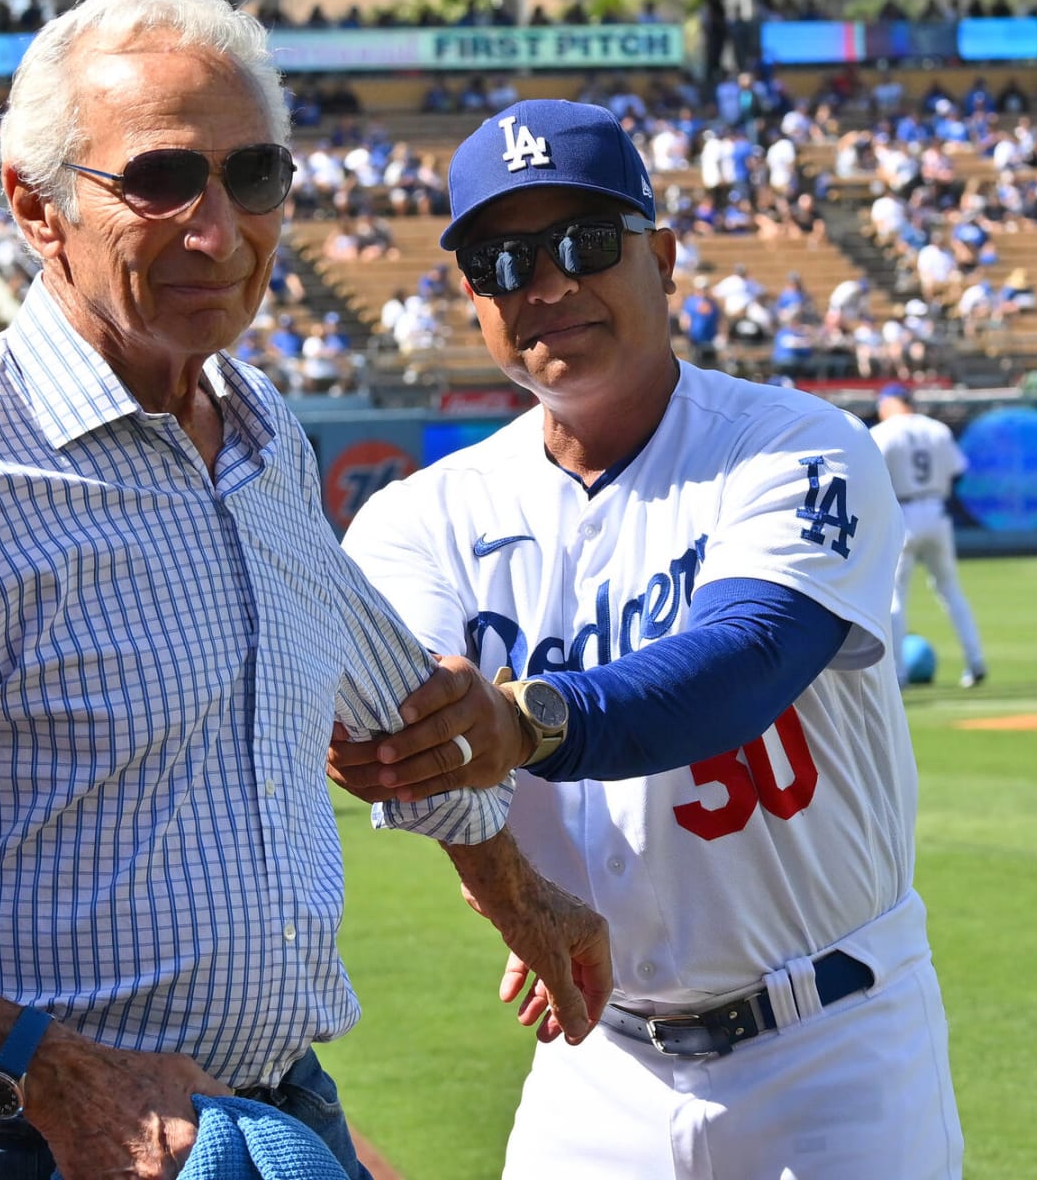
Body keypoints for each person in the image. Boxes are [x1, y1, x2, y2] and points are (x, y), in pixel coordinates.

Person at [0, 0, 609, 1180]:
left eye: (253, 174)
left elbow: (403, 712)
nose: (217, 228)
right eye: (159, 180)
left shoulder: (257, 428)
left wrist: (516, 890)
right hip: (31, 1137)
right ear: (33, 208)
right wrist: (49, 1074)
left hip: (275, 1110)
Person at [327, 100, 963, 1180]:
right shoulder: (416, 520)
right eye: (502, 257)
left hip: (835, 1040)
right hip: (599, 1058)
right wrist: (516, 896)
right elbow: (411, 743)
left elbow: (744, 659)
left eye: (585, 243)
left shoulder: (793, 448)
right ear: (472, 296)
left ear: (662, 259)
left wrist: (522, 724)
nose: (547, 282)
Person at [870, 385, 988, 688]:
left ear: (893, 403)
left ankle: (898, 674)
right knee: (950, 589)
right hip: (936, 510)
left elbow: (868, 475)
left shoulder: (883, 432)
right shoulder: (937, 429)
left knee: (895, 595)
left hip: (902, 513)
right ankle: (975, 662)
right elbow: (958, 470)